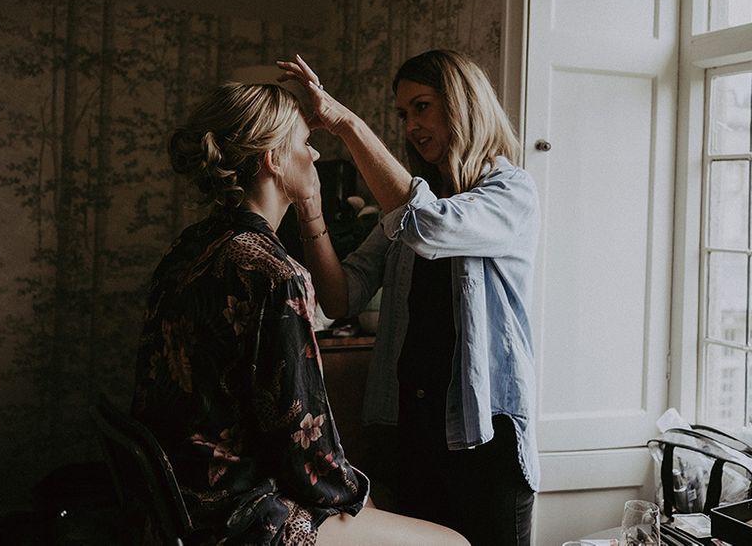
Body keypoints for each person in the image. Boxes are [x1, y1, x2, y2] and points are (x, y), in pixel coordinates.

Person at [131, 81, 468, 546]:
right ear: (273, 160)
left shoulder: (189, 248)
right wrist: (358, 495)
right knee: (453, 543)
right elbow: (305, 452)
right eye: (305, 144)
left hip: (179, 499)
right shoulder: (273, 273)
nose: (313, 156)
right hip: (241, 514)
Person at [276, 50, 539, 546]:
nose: (411, 125)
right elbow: (340, 296)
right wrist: (309, 205)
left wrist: (344, 123)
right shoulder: (405, 206)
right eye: (403, 113)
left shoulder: (512, 193)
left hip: (484, 439)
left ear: (463, 105)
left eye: (422, 107)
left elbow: (429, 225)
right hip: (409, 433)